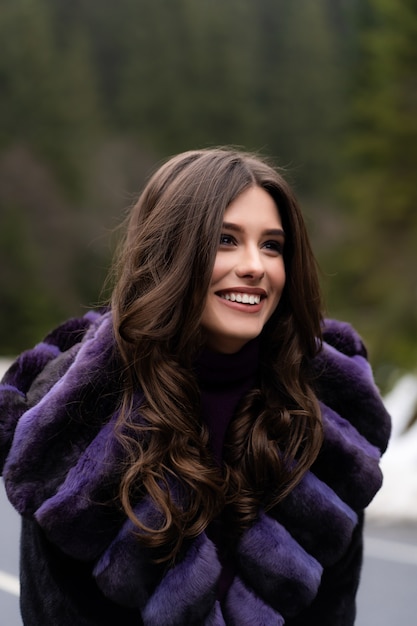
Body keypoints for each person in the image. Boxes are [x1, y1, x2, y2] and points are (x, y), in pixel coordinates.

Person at [0, 148, 390, 625]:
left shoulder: (327, 418)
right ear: (170, 252)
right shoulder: (74, 418)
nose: (255, 266)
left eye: (272, 245)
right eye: (226, 240)